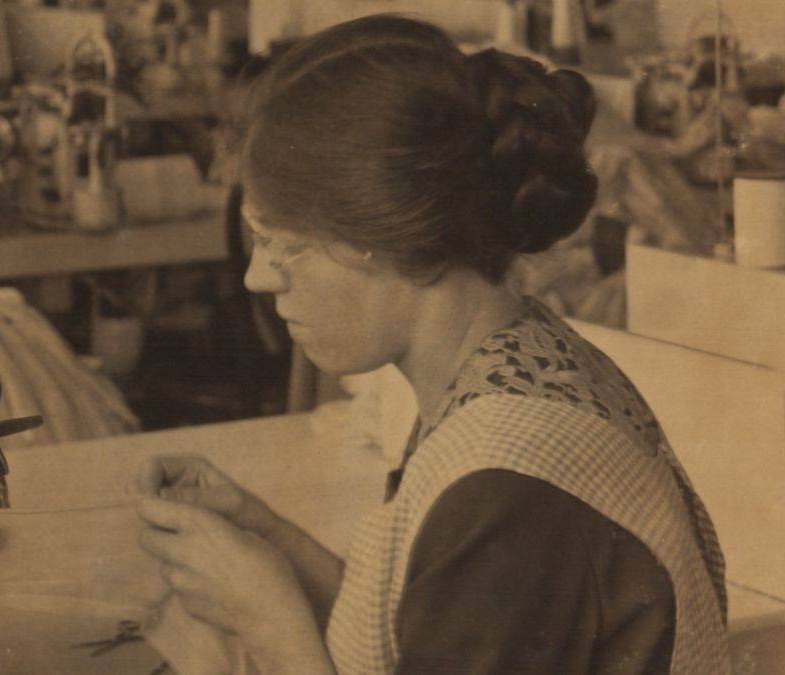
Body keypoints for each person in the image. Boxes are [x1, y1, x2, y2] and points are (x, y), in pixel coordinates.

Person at [131, 14, 730, 675]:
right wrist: (265, 535)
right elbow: (420, 633)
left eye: (282, 243)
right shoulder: (514, 363)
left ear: (390, 234)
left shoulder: (507, 493)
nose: (256, 275)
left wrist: (268, 620)